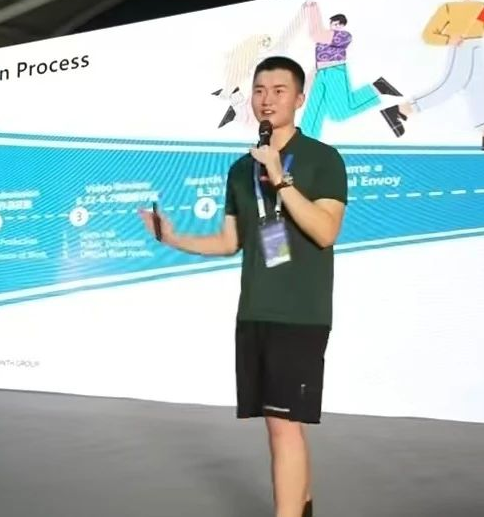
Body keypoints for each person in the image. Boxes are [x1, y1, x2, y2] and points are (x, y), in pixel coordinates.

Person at [139, 56, 348, 517]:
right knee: (280, 423)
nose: (267, 99)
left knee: (283, 424)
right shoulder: (239, 170)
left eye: (278, 90)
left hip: (301, 312)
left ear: (299, 98)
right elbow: (228, 241)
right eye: (259, 90)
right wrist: (172, 237)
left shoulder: (323, 159)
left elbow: (325, 231)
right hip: (255, 309)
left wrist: (281, 179)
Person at [380, 0, 484, 150]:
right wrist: (448, 39)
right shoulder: (448, 7)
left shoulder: (481, 6)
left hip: (477, 48)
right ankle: (400, 110)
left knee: (480, 90)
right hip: (461, 47)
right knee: (449, 86)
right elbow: (428, 35)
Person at [299, 1, 403, 139]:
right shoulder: (324, 36)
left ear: (343, 26)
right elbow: (317, 40)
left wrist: (312, 9)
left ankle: (376, 88)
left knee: (339, 113)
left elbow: (316, 34)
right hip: (321, 72)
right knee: (313, 110)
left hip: (335, 71)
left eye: (338, 24)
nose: (335, 26)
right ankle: (304, 141)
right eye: (334, 24)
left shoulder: (344, 36)